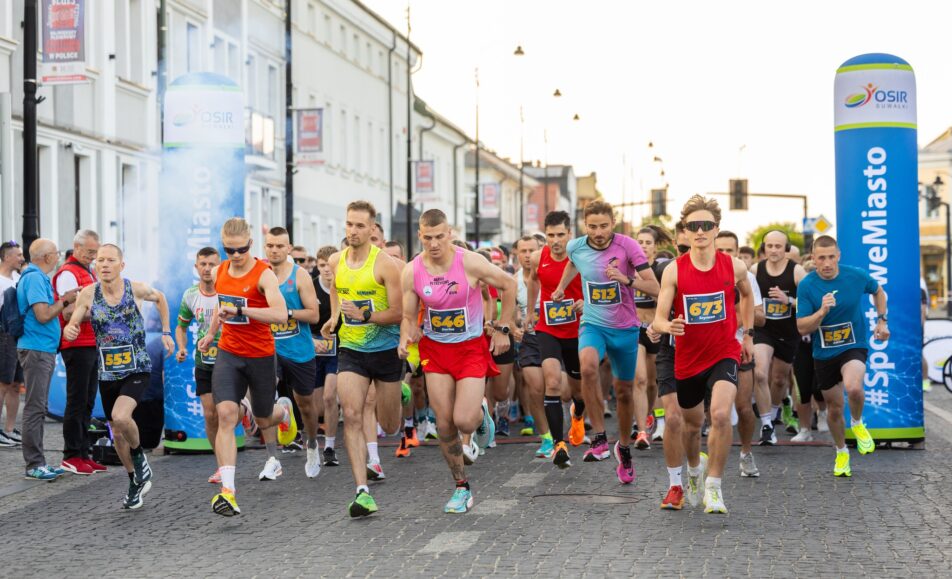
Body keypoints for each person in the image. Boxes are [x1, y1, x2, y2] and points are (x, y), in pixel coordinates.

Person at [398, 208, 515, 513]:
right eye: (427, 238)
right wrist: (405, 336)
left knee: (464, 419)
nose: (434, 243)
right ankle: (461, 486)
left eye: (439, 236)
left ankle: (479, 415)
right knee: (445, 423)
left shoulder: (470, 262)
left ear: (449, 233)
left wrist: (503, 327)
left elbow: (509, 285)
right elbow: (409, 316)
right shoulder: (412, 270)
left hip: (470, 348)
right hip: (436, 351)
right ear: (419, 236)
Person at [650, 195, 754, 514]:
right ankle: (694, 470)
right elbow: (657, 319)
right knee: (692, 427)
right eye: (693, 226)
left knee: (721, 415)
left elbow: (747, 296)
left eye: (705, 225)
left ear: (716, 229)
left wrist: (746, 333)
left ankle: (714, 487)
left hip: (724, 351)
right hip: (688, 358)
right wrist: (669, 326)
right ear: (685, 231)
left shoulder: (733, 266)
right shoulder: (674, 271)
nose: (699, 231)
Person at [551, 200, 659, 484]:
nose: (598, 232)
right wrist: (562, 287)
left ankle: (623, 448)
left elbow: (655, 287)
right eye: (592, 226)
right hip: (593, 322)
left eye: (604, 226)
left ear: (613, 223)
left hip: (624, 328)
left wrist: (626, 279)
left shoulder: (628, 247)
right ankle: (598, 437)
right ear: (584, 226)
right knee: (587, 367)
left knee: (623, 392)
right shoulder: (575, 246)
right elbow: (573, 265)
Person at [64, 244, 174, 509]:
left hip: (137, 367)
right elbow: (75, 318)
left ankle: (140, 460)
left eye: (110, 260)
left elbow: (160, 299)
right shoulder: (89, 293)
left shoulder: (135, 288)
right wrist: (71, 327)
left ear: (121, 265)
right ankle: (134, 480)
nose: (104, 264)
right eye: (100, 260)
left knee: (122, 417)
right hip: (108, 371)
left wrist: (167, 332)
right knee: (118, 433)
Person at [199, 217, 295, 517]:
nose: (235, 255)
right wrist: (212, 333)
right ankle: (228, 491)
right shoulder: (219, 271)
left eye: (240, 249)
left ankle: (285, 411)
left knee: (265, 418)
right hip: (229, 353)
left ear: (250, 245)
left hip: (261, 356)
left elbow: (280, 314)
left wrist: (243, 310)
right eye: (229, 250)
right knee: (225, 413)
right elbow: (220, 306)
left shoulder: (263, 274)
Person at [321, 201, 404, 518]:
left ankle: (400, 392)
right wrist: (334, 317)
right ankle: (362, 492)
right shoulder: (335, 260)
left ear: (372, 229)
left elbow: (398, 313)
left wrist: (367, 315)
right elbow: (337, 291)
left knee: (389, 424)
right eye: (348, 225)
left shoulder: (385, 266)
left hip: (385, 353)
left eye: (359, 226)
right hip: (351, 351)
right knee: (352, 415)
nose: (353, 231)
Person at [796, 235, 887, 477]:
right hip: (824, 353)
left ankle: (857, 423)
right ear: (813, 259)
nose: (827, 263)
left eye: (831, 257)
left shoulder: (855, 275)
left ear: (839, 256)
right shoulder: (807, 285)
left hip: (853, 345)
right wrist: (822, 311)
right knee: (835, 409)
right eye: (821, 258)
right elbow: (802, 327)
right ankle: (841, 452)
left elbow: (879, 292)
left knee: (854, 388)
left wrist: (881, 320)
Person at [526, 211, 587, 468]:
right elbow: (532, 281)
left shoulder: (581, 257)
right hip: (548, 326)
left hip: (577, 329)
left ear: (570, 234)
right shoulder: (539, 257)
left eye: (560, 234)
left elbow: (596, 284)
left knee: (578, 391)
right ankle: (559, 444)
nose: (555, 240)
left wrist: (586, 302)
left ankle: (579, 413)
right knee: (551, 381)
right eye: (550, 235)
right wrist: (530, 311)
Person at [18, 239, 79, 481]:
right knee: (35, 408)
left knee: (38, 406)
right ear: (46, 257)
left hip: (40, 348)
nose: (58, 257)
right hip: (36, 349)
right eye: (55, 253)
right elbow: (43, 315)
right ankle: (34, 464)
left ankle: (38, 461)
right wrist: (65, 300)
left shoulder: (36, 277)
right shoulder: (34, 278)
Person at [265, 227, 322, 479]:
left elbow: (313, 314)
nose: (274, 250)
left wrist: (285, 314)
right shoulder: (260, 276)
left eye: (279, 246)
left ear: (288, 248)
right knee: (266, 396)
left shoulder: (300, 277)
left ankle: (311, 444)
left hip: (299, 350)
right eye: (270, 245)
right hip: (269, 349)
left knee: (307, 405)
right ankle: (272, 457)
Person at [53, 229, 105, 475]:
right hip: (76, 344)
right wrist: (101, 312)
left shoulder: (87, 270)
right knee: (77, 401)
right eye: (90, 252)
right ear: (77, 247)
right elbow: (66, 313)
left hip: (90, 342)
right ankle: (71, 454)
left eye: (96, 252)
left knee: (87, 401)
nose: (94, 257)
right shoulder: (68, 274)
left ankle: (84, 453)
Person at [715, 231, 766, 477]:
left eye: (729, 250)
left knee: (744, 406)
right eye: (720, 250)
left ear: (737, 253)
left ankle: (746, 452)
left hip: (738, 347)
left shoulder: (747, 277)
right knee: (712, 412)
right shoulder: (702, 273)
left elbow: (761, 317)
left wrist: (739, 317)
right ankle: (712, 461)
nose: (725, 255)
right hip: (709, 349)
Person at [751, 230, 807, 445]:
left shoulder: (797, 271)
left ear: (786, 249)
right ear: (764, 247)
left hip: (788, 331)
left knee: (779, 379)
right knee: (760, 373)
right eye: (769, 245)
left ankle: (773, 414)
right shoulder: (756, 270)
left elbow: (811, 303)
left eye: (778, 246)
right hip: (764, 330)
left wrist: (789, 300)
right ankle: (766, 424)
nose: (773, 250)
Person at [175, 247, 223, 483]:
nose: (207, 269)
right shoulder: (190, 295)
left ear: (220, 266)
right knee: (210, 413)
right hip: (204, 360)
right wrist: (181, 347)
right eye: (203, 264)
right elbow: (181, 326)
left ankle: (246, 412)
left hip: (231, 358)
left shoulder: (227, 292)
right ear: (196, 267)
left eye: (212, 264)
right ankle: (221, 465)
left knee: (228, 412)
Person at [633, 225, 674, 449]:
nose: (644, 246)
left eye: (648, 243)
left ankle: (657, 420)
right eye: (640, 242)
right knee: (639, 379)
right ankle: (641, 429)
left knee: (654, 382)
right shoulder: (627, 268)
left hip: (656, 330)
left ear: (655, 247)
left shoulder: (662, 269)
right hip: (635, 330)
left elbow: (663, 298)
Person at [312, 245, 342, 467]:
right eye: (322, 265)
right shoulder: (311, 288)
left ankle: (330, 447)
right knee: (316, 406)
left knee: (330, 397)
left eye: (330, 265)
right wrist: (312, 341)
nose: (326, 270)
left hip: (338, 349)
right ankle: (312, 444)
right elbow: (299, 322)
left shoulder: (343, 287)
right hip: (312, 350)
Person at [0, 240, 24, 446]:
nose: (21, 258)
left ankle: (9, 429)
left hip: (18, 335)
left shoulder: (18, 278)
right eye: (18, 255)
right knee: (2, 383)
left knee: (16, 385)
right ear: (7, 257)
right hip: (3, 335)